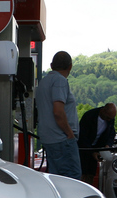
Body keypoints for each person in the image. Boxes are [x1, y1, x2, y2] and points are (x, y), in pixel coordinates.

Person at [36, 51, 81, 180]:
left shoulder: (44, 82)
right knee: (71, 178)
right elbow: (58, 111)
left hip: (48, 138)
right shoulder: (60, 81)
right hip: (62, 139)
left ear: (51, 65)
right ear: (70, 66)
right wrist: (69, 134)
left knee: (57, 179)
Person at [77, 103, 117, 185]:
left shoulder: (110, 120)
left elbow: (111, 133)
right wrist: (92, 152)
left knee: (91, 174)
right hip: (83, 149)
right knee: (82, 173)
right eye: (108, 118)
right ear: (103, 111)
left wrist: (107, 145)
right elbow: (82, 137)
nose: (109, 120)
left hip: (97, 149)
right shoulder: (89, 116)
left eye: (111, 119)